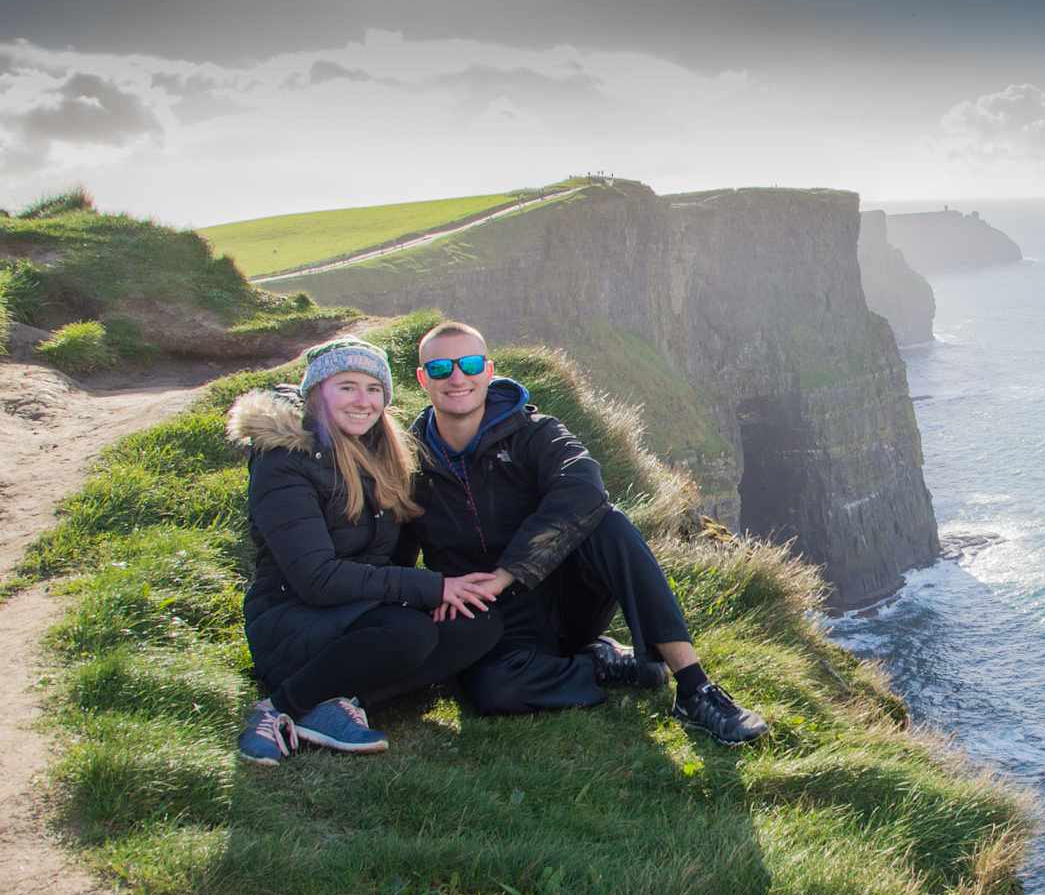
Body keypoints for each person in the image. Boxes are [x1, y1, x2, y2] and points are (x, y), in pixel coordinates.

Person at [397, 320, 770, 745]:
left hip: (562, 595)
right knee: (493, 692)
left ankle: (694, 687)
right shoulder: (408, 463)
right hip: (488, 618)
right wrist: (435, 590)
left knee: (606, 521)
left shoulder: (534, 433)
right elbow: (394, 552)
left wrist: (508, 572)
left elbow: (584, 485)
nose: (457, 377)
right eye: (442, 368)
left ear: (488, 369)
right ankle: (601, 665)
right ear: (423, 379)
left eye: (469, 363)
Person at [227, 337, 506, 765]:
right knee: (409, 634)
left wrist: (459, 586)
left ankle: (336, 699)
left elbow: (396, 554)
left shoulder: (383, 452)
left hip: (358, 611)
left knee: (477, 623)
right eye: (347, 387)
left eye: (373, 389)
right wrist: (429, 588)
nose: (363, 401)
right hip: (292, 617)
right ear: (317, 392)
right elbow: (315, 579)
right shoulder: (284, 462)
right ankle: (281, 706)